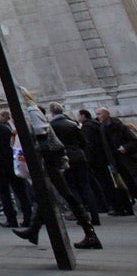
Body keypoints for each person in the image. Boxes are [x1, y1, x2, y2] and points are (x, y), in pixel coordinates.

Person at [12, 92, 100, 249]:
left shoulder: (34, 115)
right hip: (49, 161)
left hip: (47, 161)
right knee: (46, 195)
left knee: (63, 194)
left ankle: (90, 233)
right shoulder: (37, 115)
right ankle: (33, 230)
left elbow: (43, 138)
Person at [48, 103, 100, 226]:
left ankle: (82, 215)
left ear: (52, 112)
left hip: (65, 158)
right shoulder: (73, 124)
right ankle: (95, 216)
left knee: (72, 187)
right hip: (79, 156)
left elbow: (53, 145)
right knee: (86, 186)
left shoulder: (52, 126)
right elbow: (83, 142)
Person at [0, 107, 32, 229]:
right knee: (20, 192)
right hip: (11, 163)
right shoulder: (5, 128)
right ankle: (28, 217)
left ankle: (11, 219)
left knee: (4, 194)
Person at [95, 106, 137, 215]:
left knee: (133, 181)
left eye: (99, 114)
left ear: (106, 114)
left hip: (128, 160)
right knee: (128, 185)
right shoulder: (102, 128)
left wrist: (125, 147)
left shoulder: (119, 126)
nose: (97, 116)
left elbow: (133, 140)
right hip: (115, 161)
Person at [77, 109, 113, 215]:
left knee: (100, 183)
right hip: (102, 158)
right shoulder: (96, 125)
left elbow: (89, 145)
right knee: (106, 181)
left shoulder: (87, 127)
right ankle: (109, 204)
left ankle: (103, 205)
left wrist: (88, 160)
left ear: (83, 116)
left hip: (95, 160)